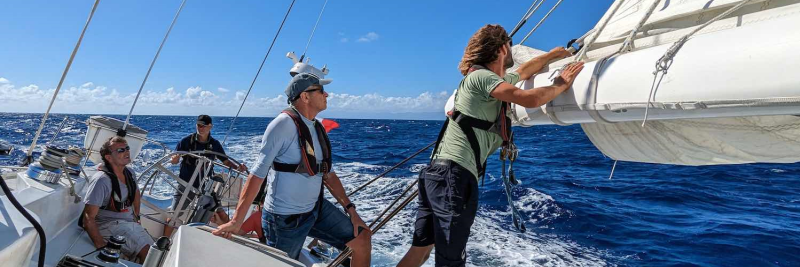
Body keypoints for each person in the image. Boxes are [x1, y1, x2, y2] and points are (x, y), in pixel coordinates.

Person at [397, 24, 585, 267]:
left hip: (437, 176)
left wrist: (552, 55)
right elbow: (530, 98)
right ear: (501, 49)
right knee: (450, 261)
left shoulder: (485, 79)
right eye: (509, 45)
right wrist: (561, 84)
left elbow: (525, 71)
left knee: (420, 252)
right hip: (454, 177)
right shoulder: (482, 77)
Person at [212, 73, 372, 267]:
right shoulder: (282, 125)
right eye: (321, 90)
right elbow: (257, 175)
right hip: (285, 220)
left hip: (315, 209)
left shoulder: (317, 127)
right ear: (305, 97)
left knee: (362, 239)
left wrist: (351, 210)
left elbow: (327, 174)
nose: (326, 94)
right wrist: (237, 220)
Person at [163, 114, 248, 236]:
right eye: (198, 125)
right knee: (174, 215)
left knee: (221, 213)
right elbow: (175, 161)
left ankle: (235, 237)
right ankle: (163, 243)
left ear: (210, 127)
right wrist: (174, 159)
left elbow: (226, 162)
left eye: (203, 126)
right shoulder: (185, 142)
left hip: (206, 187)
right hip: (186, 184)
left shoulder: (215, 144)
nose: (200, 128)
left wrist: (238, 167)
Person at [81, 136, 154, 263]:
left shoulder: (130, 173)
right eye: (120, 150)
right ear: (108, 158)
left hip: (128, 223)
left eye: (127, 148)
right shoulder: (101, 180)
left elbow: (136, 195)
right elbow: (88, 218)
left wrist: (137, 219)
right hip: (108, 225)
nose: (126, 152)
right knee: (149, 253)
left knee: (158, 252)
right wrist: (101, 247)